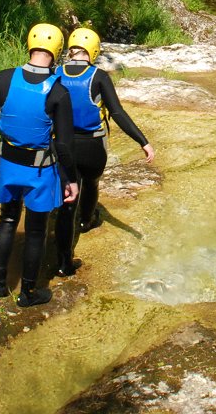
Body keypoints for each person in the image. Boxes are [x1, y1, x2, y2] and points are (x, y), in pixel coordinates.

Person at [0, 23, 80, 307]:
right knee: (36, 230)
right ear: (58, 51)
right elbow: (63, 145)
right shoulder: (59, 92)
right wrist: (71, 180)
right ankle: (28, 293)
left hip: (9, 164)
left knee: (8, 219)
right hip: (40, 172)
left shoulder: (3, 79)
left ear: (30, 44)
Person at [53, 27, 154, 276]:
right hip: (93, 146)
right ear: (94, 50)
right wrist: (143, 141)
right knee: (92, 183)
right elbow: (117, 113)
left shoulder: (54, 73)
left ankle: (63, 261)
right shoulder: (98, 76)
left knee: (66, 203)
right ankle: (87, 220)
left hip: (62, 145)